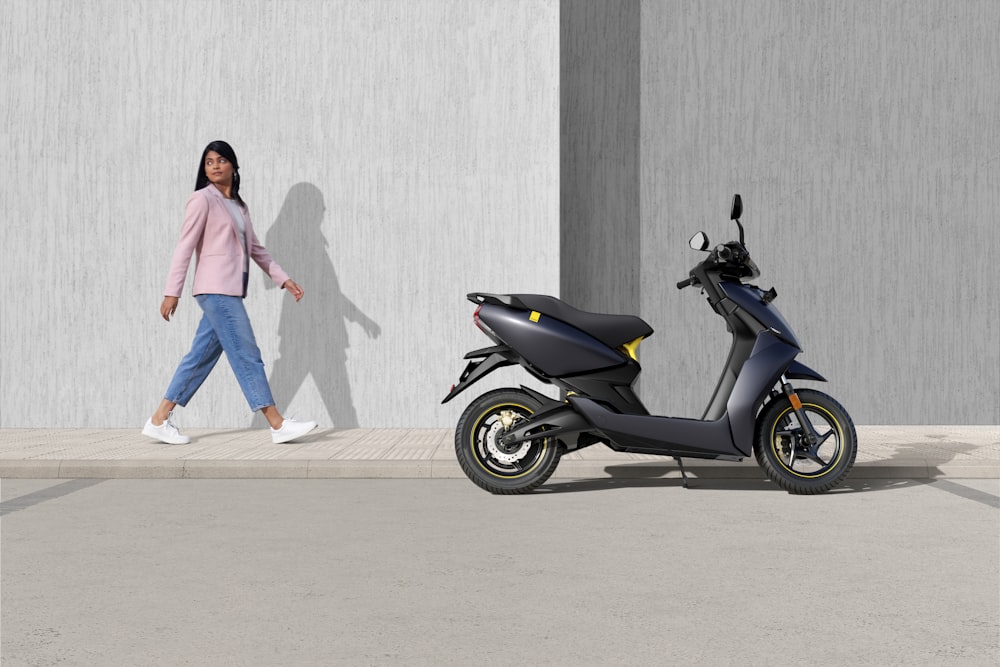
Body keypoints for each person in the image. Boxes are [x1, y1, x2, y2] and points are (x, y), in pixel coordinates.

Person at [142, 140, 317, 445]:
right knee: (246, 353)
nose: (215, 166)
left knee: (199, 357)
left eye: (221, 160)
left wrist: (284, 279)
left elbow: (256, 250)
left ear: (233, 166)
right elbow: (185, 246)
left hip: (229, 291)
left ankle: (159, 419)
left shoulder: (238, 206)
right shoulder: (201, 200)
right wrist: (173, 291)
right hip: (214, 289)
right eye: (209, 162)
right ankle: (277, 424)